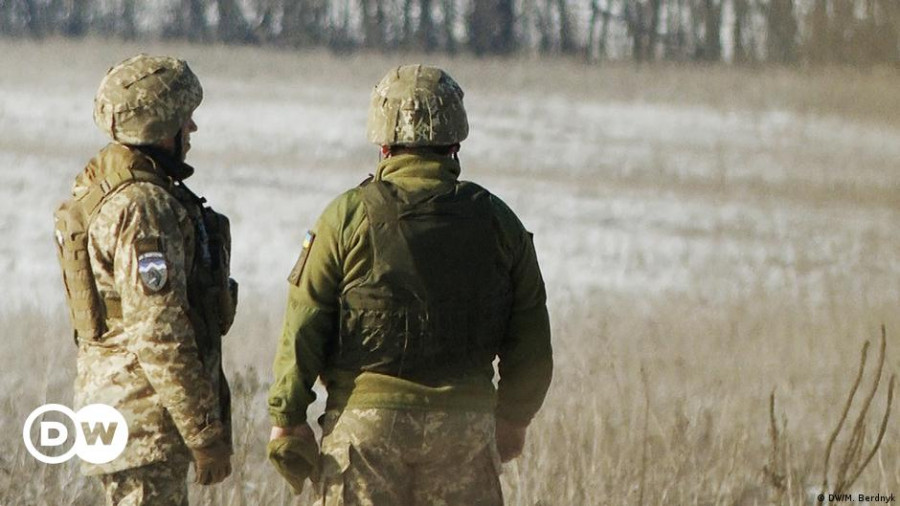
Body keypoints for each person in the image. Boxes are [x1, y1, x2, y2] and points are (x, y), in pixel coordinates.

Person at [267, 64, 553, 505]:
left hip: (365, 434)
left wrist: (287, 416)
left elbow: (305, 318)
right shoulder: (499, 222)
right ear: (455, 141)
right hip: (464, 435)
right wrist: (514, 419)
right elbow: (531, 337)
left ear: (383, 143)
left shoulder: (347, 217)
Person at [53, 54, 236, 505]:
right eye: (183, 119)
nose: (192, 128)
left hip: (124, 414)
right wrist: (203, 431)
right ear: (160, 128)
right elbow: (159, 330)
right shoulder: (143, 207)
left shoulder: (106, 187)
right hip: (143, 422)